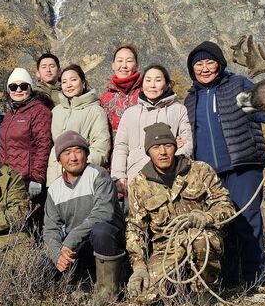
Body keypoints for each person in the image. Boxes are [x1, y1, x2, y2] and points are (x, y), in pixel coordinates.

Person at [185, 40, 265, 292]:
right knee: (221, 226)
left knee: (248, 221)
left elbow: (264, 109)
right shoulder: (190, 98)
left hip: (243, 164)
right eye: (198, 64)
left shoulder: (238, 84)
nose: (204, 68)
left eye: (209, 62)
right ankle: (229, 279)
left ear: (220, 63)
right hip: (209, 175)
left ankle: (255, 277)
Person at [126, 123, 236, 304]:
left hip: (200, 236)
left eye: (167, 146)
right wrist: (138, 266)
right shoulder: (139, 183)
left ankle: (204, 289)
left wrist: (208, 217)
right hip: (166, 247)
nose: (162, 152)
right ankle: (177, 285)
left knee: (202, 239)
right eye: (156, 147)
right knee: (145, 298)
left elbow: (224, 204)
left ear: (175, 147)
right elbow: (135, 228)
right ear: (148, 152)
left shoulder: (200, 170)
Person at [44, 131, 126, 304]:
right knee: (47, 257)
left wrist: (70, 240)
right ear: (59, 160)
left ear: (86, 154)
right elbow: (51, 229)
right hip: (79, 246)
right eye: (67, 153)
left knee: (101, 230)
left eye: (78, 151)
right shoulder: (54, 190)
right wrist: (57, 254)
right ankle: (81, 286)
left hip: (108, 242)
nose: (73, 157)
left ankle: (109, 292)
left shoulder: (98, 175)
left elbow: (104, 213)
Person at [112, 64, 193, 196]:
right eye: (148, 80)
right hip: (136, 176)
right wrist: (118, 176)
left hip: (170, 177)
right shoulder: (130, 113)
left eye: (158, 80)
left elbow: (187, 141)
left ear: (167, 84)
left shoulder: (178, 110)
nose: (152, 85)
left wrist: (176, 159)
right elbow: (121, 147)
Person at [0, 67, 53, 220]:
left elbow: (43, 145)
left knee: (26, 221)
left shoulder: (39, 111)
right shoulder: (9, 114)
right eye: (13, 87)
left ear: (30, 88)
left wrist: (36, 178)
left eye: (23, 86)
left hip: (26, 179)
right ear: (9, 90)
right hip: (7, 179)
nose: (18, 90)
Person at [47, 64, 110, 183]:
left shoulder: (95, 111)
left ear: (83, 83)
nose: (69, 85)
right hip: (54, 179)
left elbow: (101, 148)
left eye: (73, 80)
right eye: (64, 82)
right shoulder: (56, 111)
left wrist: (77, 167)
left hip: (82, 178)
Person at [100, 43, 142, 133]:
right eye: (120, 61)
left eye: (129, 61)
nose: (124, 65)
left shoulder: (146, 92)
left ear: (137, 66)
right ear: (113, 65)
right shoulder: (105, 99)